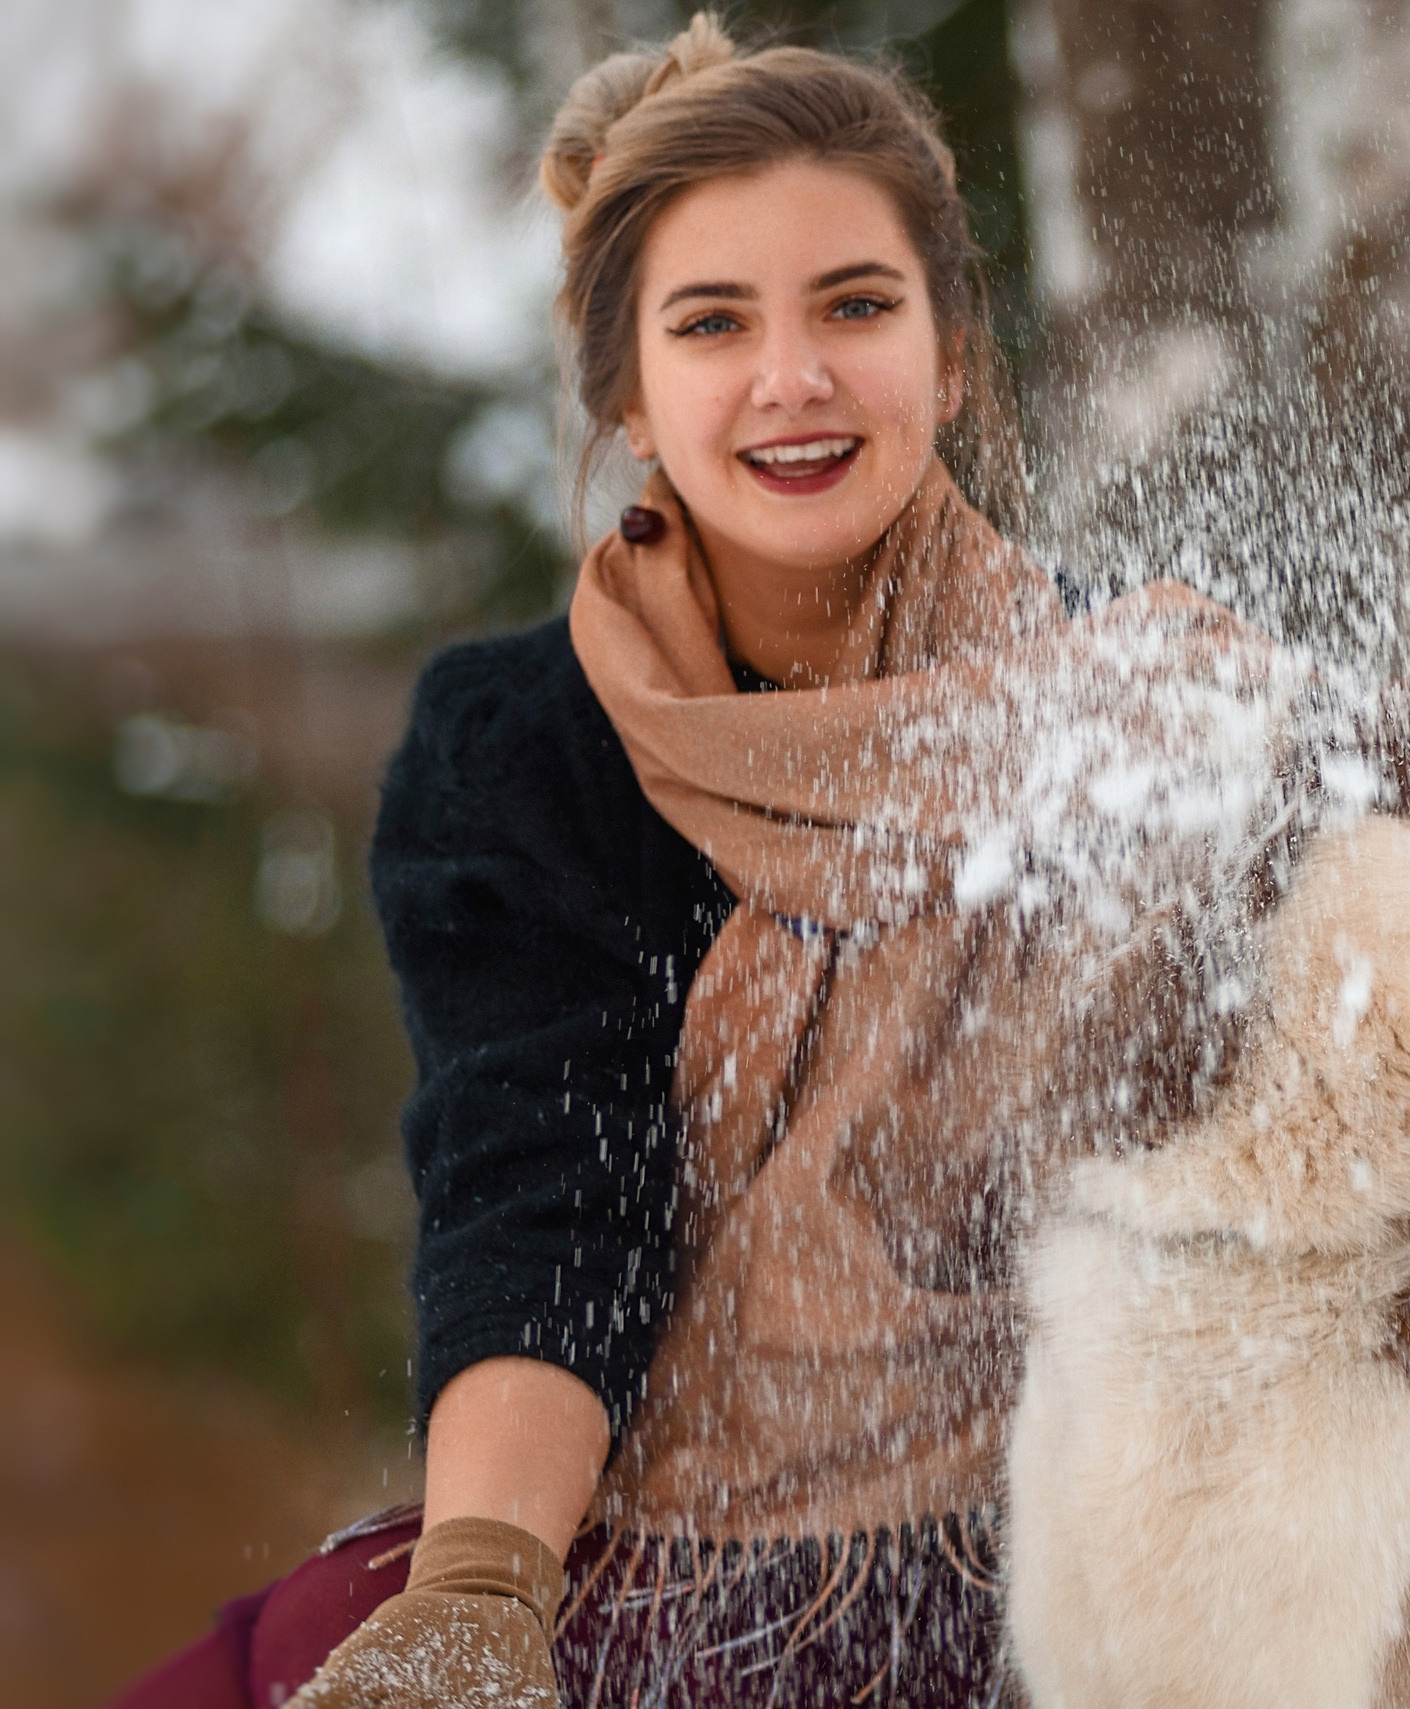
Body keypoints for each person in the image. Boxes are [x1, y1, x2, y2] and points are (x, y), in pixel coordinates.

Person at [114, 16, 1252, 1706]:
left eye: (855, 305)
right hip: (659, 1523)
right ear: (630, 396)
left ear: (950, 358)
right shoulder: (521, 749)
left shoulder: (1139, 709)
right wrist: (481, 1590)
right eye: (713, 322)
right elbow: (544, 1186)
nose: (791, 377)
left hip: (1088, 1545)